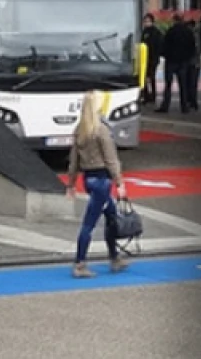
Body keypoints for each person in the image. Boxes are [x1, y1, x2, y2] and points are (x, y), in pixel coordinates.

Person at [64, 89, 127, 278]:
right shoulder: (101, 130)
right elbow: (111, 158)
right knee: (90, 223)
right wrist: (119, 182)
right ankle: (80, 263)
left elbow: (73, 160)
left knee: (111, 216)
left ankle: (114, 257)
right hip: (102, 180)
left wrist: (71, 183)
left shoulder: (80, 130)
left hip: (89, 179)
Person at [160, 14, 197, 113]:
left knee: (168, 84)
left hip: (171, 61)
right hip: (183, 62)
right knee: (183, 85)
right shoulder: (188, 32)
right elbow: (192, 47)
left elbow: (164, 45)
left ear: (174, 20)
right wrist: (187, 58)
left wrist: (166, 55)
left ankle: (165, 105)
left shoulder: (170, 31)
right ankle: (184, 107)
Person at [139, 14, 164, 105]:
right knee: (144, 78)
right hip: (144, 59)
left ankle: (153, 95)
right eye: (145, 21)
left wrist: (156, 57)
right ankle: (145, 95)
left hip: (153, 59)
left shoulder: (156, 32)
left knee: (152, 77)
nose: (146, 23)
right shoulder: (144, 32)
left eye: (148, 21)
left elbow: (159, 46)